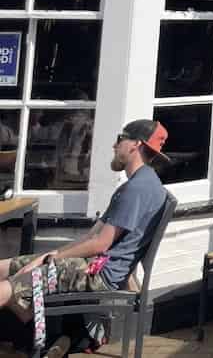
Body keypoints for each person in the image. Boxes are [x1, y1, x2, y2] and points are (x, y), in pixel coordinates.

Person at [0, 120, 168, 344]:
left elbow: (101, 244)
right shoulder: (135, 185)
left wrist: (50, 259)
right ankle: (43, 333)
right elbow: (91, 236)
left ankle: (41, 328)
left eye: (119, 138)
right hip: (95, 264)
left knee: (7, 287)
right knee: (3, 267)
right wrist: (46, 257)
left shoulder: (137, 189)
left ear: (135, 145)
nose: (113, 145)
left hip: (99, 273)